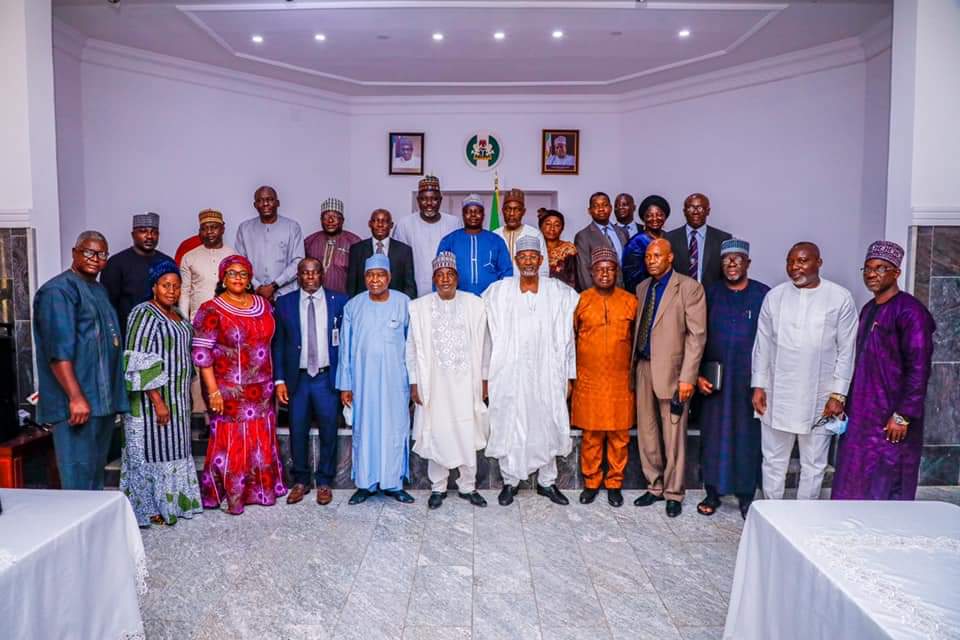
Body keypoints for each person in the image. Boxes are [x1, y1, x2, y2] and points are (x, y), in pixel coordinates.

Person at [751, 242, 858, 501]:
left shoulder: (839, 297)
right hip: (777, 394)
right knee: (773, 460)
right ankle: (772, 515)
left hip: (820, 398)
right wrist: (758, 385)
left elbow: (847, 351)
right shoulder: (774, 297)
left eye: (802, 261)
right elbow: (762, 345)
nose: (795, 267)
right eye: (790, 262)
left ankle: (804, 520)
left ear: (818, 262)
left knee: (814, 464)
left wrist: (838, 395)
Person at [831, 241, 936, 501]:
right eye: (867, 269)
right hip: (862, 417)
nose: (872, 274)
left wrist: (903, 415)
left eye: (881, 268)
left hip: (891, 419)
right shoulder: (868, 309)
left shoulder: (911, 312)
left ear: (896, 273)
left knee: (886, 485)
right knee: (853, 481)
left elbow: (919, 368)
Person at [483, 235, 579, 507]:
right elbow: (488, 338)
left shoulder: (559, 293)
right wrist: (486, 374)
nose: (527, 261)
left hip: (547, 373)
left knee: (547, 420)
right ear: (515, 261)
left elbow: (568, 338)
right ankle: (510, 482)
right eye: (522, 256)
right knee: (509, 422)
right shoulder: (498, 292)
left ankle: (547, 482)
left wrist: (569, 375)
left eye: (532, 257)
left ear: (540, 260)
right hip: (510, 372)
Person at [191, 255, 287, 514]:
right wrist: (212, 391)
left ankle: (261, 490)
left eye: (243, 274)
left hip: (262, 389)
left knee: (259, 439)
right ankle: (230, 494)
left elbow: (273, 342)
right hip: (228, 390)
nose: (238, 278)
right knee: (232, 441)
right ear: (223, 277)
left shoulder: (262, 305)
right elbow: (202, 354)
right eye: (232, 273)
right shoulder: (211, 309)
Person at [33, 231, 128, 490]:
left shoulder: (98, 289)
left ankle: (94, 531)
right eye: (89, 252)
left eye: (101, 254)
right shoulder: (58, 291)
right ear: (75, 252)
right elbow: (58, 350)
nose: (95, 259)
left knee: (94, 479)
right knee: (78, 484)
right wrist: (75, 397)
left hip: (100, 405)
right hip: (76, 406)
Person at [120, 260, 203, 527]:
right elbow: (138, 359)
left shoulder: (177, 314)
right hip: (150, 402)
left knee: (174, 450)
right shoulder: (143, 313)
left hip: (177, 399)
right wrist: (158, 402)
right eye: (166, 285)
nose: (172, 291)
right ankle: (149, 507)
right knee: (151, 452)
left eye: (176, 286)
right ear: (154, 287)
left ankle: (175, 503)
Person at [406, 252, 489, 509]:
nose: (445, 279)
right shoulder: (420, 308)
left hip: (467, 381)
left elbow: (485, 345)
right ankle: (438, 487)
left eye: (449, 274)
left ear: (457, 278)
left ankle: (468, 486)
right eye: (440, 275)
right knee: (437, 431)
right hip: (435, 383)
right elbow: (411, 347)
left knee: (467, 429)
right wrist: (414, 382)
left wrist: (485, 379)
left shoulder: (474, 305)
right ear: (433, 279)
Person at [695, 239, 769, 519]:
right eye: (727, 259)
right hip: (715, 381)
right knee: (713, 437)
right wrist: (699, 373)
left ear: (748, 263)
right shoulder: (709, 293)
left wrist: (763, 382)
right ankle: (712, 492)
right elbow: (696, 337)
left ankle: (746, 495)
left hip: (749, 383)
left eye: (738, 259)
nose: (732, 264)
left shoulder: (763, 295)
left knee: (747, 437)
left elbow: (772, 341)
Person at [632, 239, 706, 517]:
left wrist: (688, 377)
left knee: (673, 435)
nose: (651, 260)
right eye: (648, 256)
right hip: (643, 368)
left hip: (674, 374)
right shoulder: (642, 288)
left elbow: (696, 336)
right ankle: (654, 486)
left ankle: (674, 492)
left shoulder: (689, 288)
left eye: (657, 255)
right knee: (647, 433)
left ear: (670, 258)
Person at [336, 254, 414, 505]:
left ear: (389, 278)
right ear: (364, 278)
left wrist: (414, 383)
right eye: (370, 275)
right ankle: (365, 484)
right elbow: (345, 349)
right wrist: (345, 384)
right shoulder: (353, 306)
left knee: (394, 429)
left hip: (395, 382)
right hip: (362, 381)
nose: (375, 280)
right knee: (365, 430)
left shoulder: (404, 304)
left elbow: (413, 347)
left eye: (380, 275)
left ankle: (393, 483)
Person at [273, 258, 347, 506]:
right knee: (297, 430)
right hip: (299, 379)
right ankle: (301, 481)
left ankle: (325, 481)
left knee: (329, 430)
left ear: (322, 274)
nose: (310, 277)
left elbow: (346, 343)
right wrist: (280, 380)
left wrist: (346, 380)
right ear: (298, 275)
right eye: (305, 273)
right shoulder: (284, 303)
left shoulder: (340, 301)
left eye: (315, 272)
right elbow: (279, 345)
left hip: (327, 377)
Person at [573, 247, 637, 508]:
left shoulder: (630, 301)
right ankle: (591, 483)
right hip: (589, 380)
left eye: (610, 269)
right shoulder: (581, 301)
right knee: (592, 436)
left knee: (619, 437)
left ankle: (614, 483)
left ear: (616, 272)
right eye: (600, 269)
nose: (605, 274)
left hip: (621, 381)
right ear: (591, 272)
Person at [100, 212, 174, 340]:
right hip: (127, 335)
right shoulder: (116, 263)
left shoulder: (167, 262)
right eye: (143, 231)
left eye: (154, 232)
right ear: (133, 235)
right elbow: (107, 306)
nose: (149, 236)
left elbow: (173, 301)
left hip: (162, 336)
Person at [392, 175, 462, 298]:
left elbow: (459, 259)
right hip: (414, 294)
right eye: (424, 199)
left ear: (440, 200)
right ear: (418, 200)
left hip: (447, 292)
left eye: (434, 199)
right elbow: (398, 263)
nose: (429, 203)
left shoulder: (454, 223)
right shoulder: (405, 224)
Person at [235, 185, 304, 301]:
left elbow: (298, 261)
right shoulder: (244, 229)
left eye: (269, 199)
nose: (265, 204)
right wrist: (257, 287)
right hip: (253, 295)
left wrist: (274, 286)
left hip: (285, 295)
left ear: (277, 203)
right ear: (255, 205)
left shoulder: (292, 227)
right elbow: (240, 262)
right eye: (260, 201)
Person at [436, 194, 512, 295]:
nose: (473, 215)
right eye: (468, 211)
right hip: (458, 301)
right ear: (463, 214)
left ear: (483, 215)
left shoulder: (496, 241)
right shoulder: (449, 241)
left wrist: (502, 297)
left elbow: (506, 273)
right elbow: (439, 274)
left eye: (477, 211)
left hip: (490, 300)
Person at [665, 193, 733, 290]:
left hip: (712, 298)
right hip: (679, 297)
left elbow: (727, 274)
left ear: (708, 211)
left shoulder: (723, 238)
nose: (695, 212)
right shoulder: (670, 238)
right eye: (691, 208)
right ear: (684, 211)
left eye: (700, 208)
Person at [347, 209, 417, 300]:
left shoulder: (404, 250)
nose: (380, 225)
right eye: (376, 221)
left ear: (391, 225)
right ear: (369, 224)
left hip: (395, 306)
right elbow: (351, 285)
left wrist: (405, 306)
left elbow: (409, 286)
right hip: (365, 306)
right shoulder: (357, 250)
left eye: (385, 221)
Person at [179, 209, 236, 321]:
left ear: (223, 229)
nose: (209, 232)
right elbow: (184, 293)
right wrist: (184, 324)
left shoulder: (233, 256)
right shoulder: (189, 257)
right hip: (198, 321)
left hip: (229, 321)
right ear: (199, 231)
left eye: (214, 227)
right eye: (204, 228)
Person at [304, 197, 361, 295]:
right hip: (314, 299)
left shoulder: (354, 242)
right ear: (321, 220)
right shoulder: (310, 241)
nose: (330, 220)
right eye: (326, 217)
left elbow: (361, 276)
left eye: (335, 216)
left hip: (344, 300)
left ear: (342, 220)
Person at [574, 192, 630, 291]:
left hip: (625, 292)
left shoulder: (622, 232)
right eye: (596, 206)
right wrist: (593, 298)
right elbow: (584, 272)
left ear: (611, 208)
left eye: (605, 205)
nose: (601, 209)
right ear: (589, 210)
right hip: (600, 294)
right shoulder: (583, 236)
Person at [493, 188, 549, 276]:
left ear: (523, 212)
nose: (512, 213)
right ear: (503, 211)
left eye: (516, 209)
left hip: (528, 286)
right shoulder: (494, 235)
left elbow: (543, 268)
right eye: (508, 209)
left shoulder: (534, 234)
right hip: (501, 287)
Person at [622, 195, 670, 292]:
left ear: (665, 216)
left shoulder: (669, 237)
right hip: (645, 292)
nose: (655, 218)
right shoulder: (636, 242)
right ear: (643, 218)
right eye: (649, 215)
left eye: (659, 214)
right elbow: (631, 278)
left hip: (670, 291)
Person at [538, 209, 578, 289]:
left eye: (557, 225)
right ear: (541, 227)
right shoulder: (535, 249)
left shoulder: (568, 249)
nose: (552, 228)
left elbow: (573, 278)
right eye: (548, 224)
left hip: (563, 294)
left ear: (562, 228)